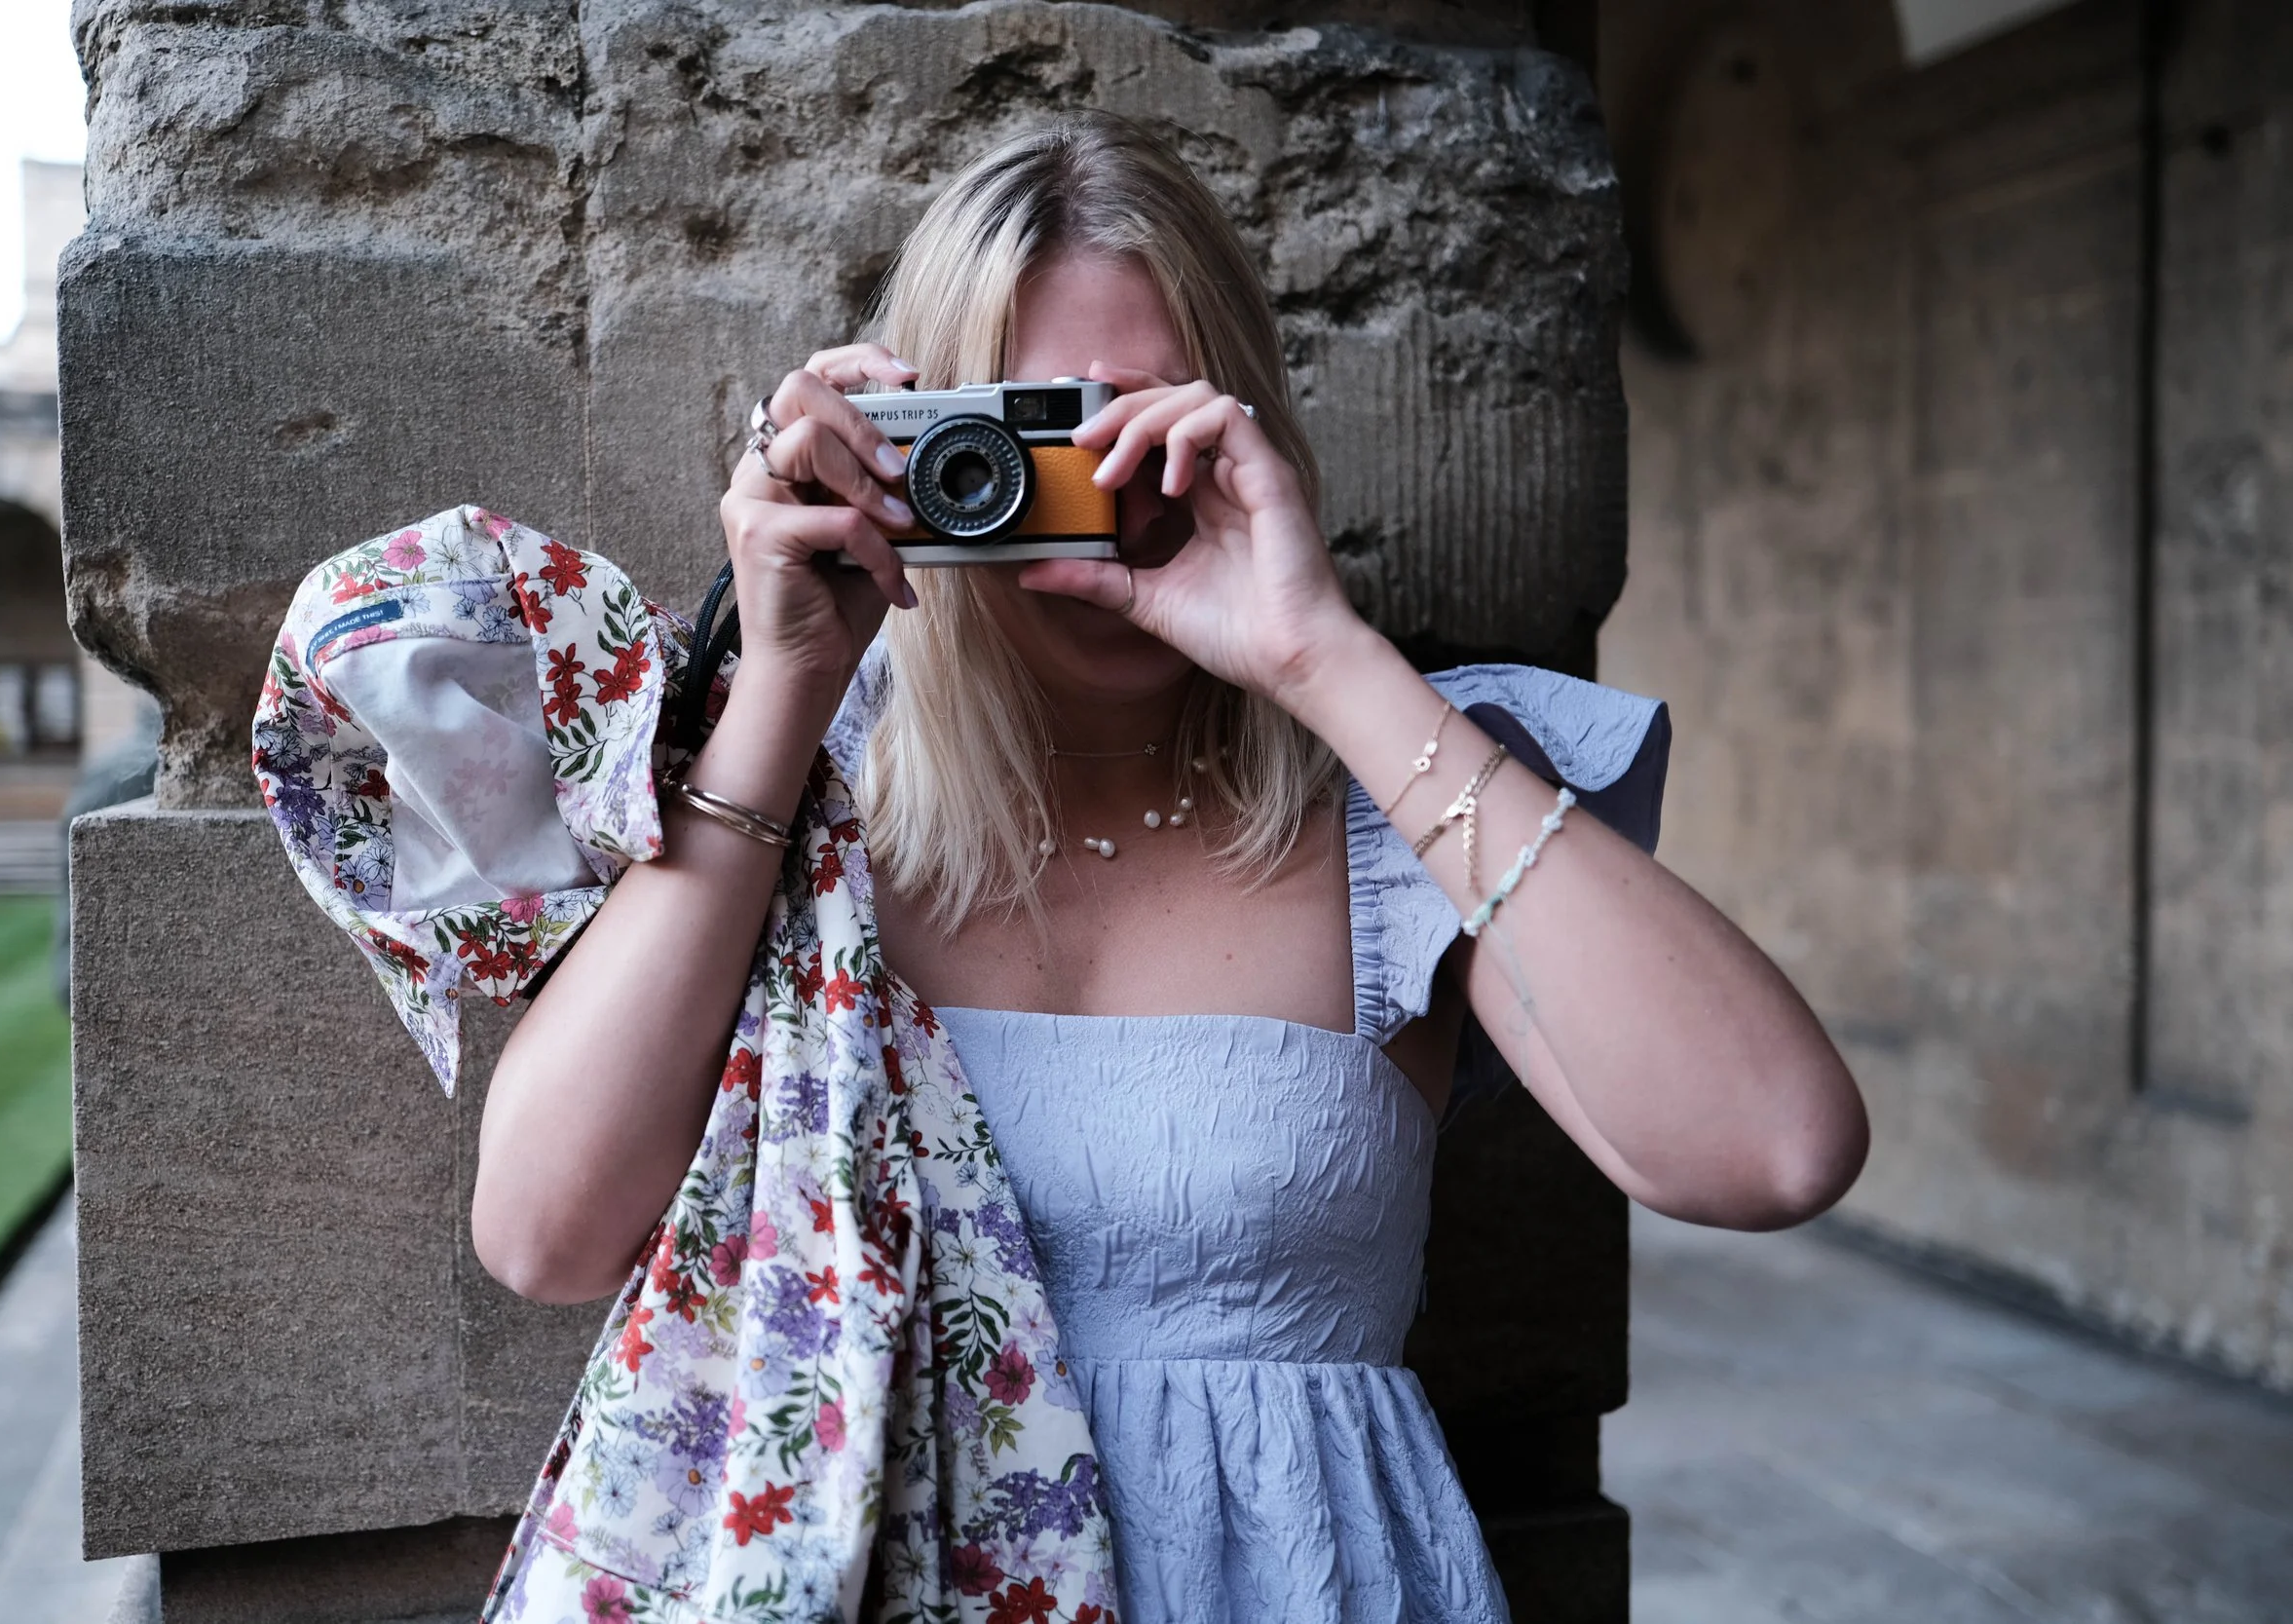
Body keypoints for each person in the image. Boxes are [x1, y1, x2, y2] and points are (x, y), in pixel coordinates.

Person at [471, 115, 1867, 1621]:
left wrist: (1319, 655)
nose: (1088, 493)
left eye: (1130, 430)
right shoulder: (798, 794)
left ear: (1244, 424)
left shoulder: (1395, 788)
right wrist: (782, 687)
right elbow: (543, 1232)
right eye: (1012, 439)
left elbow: (1776, 1145)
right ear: (907, 449)